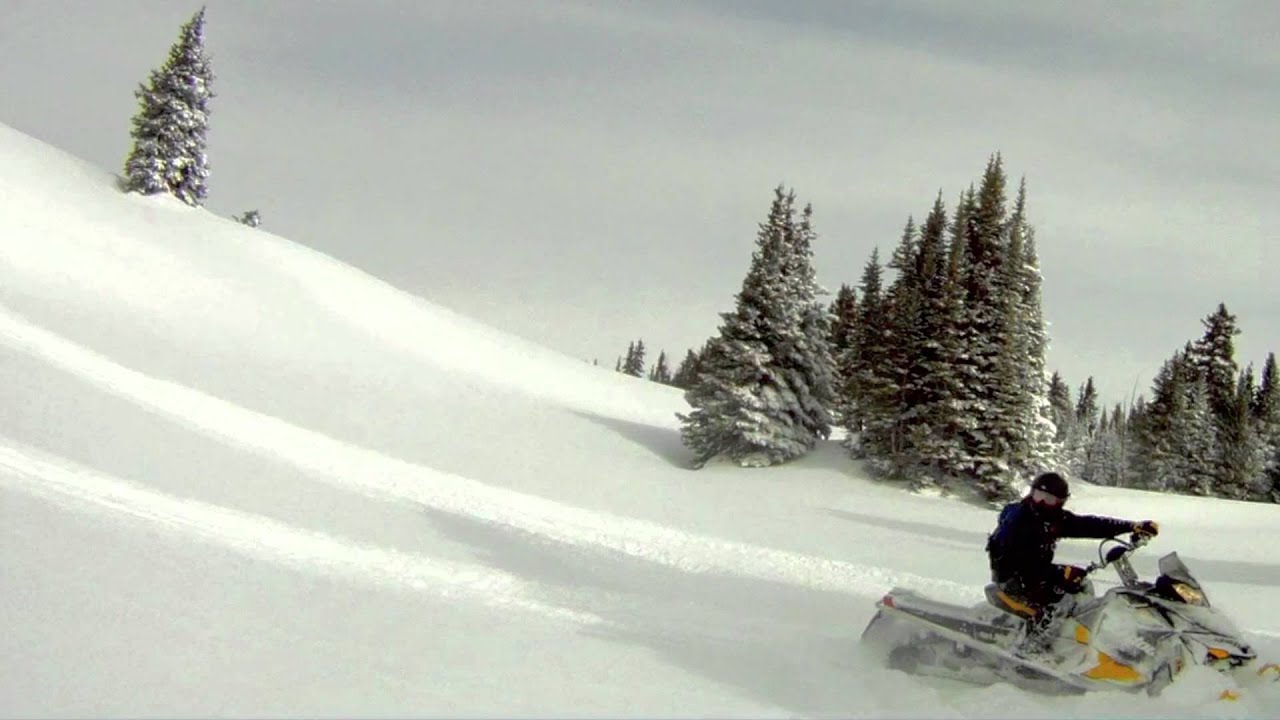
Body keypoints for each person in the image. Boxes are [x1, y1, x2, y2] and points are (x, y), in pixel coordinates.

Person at [985, 471, 1159, 654]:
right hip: (1015, 582)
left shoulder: (1048, 519)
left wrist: (1131, 526)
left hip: (1032, 577)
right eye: (1038, 496)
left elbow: (1087, 524)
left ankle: (1074, 642)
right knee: (1063, 603)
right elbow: (1013, 562)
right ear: (1031, 493)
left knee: (1082, 588)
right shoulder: (1019, 520)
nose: (1042, 502)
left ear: (1060, 502)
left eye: (1049, 499)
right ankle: (1031, 650)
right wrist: (1059, 573)